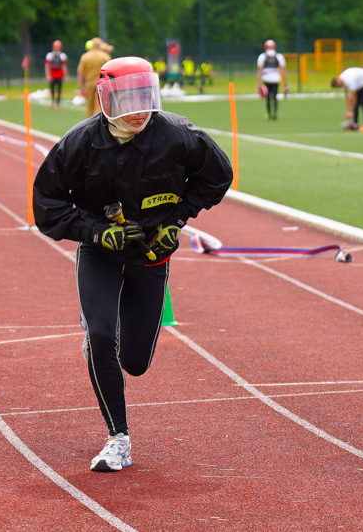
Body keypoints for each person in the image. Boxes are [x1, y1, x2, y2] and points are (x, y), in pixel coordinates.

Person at [32, 57, 233, 472]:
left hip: (151, 254)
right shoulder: (79, 143)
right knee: (103, 337)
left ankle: (106, 335)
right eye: (129, 98)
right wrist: (95, 231)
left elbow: (218, 176)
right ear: (107, 97)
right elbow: (46, 206)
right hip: (100, 252)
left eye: (146, 97)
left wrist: (177, 221)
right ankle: (117, 437)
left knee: (135, 362)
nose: (140, 109)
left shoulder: (178, 135)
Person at [331, 67, 363, 132]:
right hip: (360, 85)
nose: (340, 87)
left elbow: (354, 96)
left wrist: (351, 110)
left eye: (339, 86)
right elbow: (347, 97)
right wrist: (348, 111)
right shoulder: (341, 80)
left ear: (338, 81)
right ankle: (355, 124)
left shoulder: (350, 80)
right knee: (356, 104)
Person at [77, 37, 112, 118]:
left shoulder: (85, 56)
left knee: (89, 106)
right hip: (101, 84)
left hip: (89, 84)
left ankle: (88, 123)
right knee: (99, 105)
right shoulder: (105, 56)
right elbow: (109, 70)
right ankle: (97, 123)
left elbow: (80, 73)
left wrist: (80, 86)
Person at [257, 40, 289, 120]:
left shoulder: (263, 56)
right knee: (274, 96)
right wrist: (285, 81)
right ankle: (274, 112)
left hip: (267, 79)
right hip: (275, 79)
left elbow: (260, 70)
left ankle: (269, 113)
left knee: (267, 97)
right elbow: (283, 70)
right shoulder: (279, 56)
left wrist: (258, 82)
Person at [45, 40, 68, 109]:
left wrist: (65, 76)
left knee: (59, 89)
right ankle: (52, 101)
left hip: (59, 74)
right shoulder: (49, 55)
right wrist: (48, 75)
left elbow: (64, 66)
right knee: (52, 89)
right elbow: (47, 65)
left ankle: (57, 103)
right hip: (52, 74)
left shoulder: (62, 55)